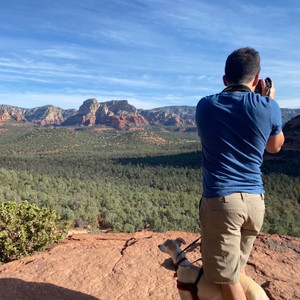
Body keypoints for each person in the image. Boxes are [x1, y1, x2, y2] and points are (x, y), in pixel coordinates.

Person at [196, 47, 284, 300]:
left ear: (224, 79)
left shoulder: (205, 105)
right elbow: (275, 147)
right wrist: (268, 100)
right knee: (238, 269)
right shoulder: (269, 106)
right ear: (256, 79)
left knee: (228, 278)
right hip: (255, 202)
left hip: (222, 202)